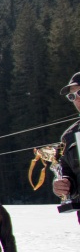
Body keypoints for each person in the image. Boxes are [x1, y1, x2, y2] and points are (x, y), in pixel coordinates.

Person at [53, 71, 80, 223]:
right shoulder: (69, 136)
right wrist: (64, 185)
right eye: (72, 96)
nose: (77, 99)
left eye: (79, 93)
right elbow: (68, 173)